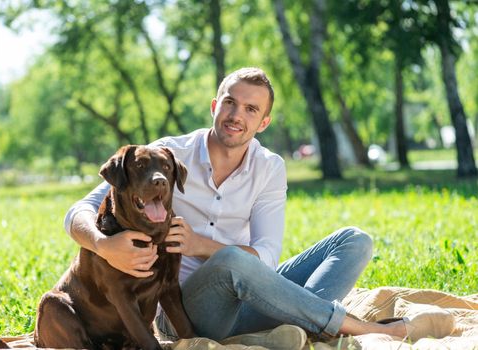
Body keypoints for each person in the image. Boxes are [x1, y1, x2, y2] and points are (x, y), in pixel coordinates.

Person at [64, 67, 438, 346]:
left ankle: (270, 335)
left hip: (251, 294)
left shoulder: (270, 168)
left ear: (263, 122)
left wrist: (200, 245)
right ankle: (364, 329)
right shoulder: (166, 157)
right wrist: (101, 244)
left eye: (250, 109)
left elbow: (267, 257)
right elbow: (78, 211)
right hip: (184, 309)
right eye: (229, 102)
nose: (236, 116)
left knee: (354, 240)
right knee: (230, 260)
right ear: (214, 106)